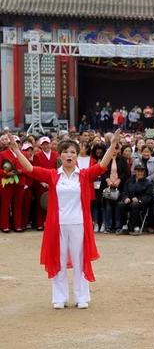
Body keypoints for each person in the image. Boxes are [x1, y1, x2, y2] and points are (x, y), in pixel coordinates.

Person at [8, 129, 121, 309]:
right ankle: (59, 297)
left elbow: (102, 166)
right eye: (66, 152)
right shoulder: (53, 175)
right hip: (57, 225)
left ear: (77, 156)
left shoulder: (83, 175)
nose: (69, 155)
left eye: (73, 152)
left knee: (79, 260)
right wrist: (16, 149)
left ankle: (81, 296)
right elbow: (29, 169)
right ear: (59, 156)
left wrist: (113, 144)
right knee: (58, 260)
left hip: (79, 224)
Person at [118, 163, 153, 235]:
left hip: (141, 204)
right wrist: (125, 198)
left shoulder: (148, 183)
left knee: (135, 205)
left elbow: (149, 196)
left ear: (144, 172)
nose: (140, 172)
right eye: (138, 171)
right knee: (121, 204)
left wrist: (139, 200)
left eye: (141, 171)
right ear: (135, 171)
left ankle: (136, 227)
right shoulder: (129, 181)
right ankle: (124, 227)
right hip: (129, 202)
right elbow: (124, 192)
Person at [33, 136, 59, 230]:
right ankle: (40, 223)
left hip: (54, 182)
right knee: (41, 203)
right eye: (43, 144)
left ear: (50, 144)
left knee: (53, 203)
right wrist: (42, 181)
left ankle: (52, 223)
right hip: (41, 183)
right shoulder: (37, 155)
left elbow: (58, 168)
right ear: (41, 145)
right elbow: (35, 169)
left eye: (47, 144)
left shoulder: (56, 154)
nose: (46, 146)